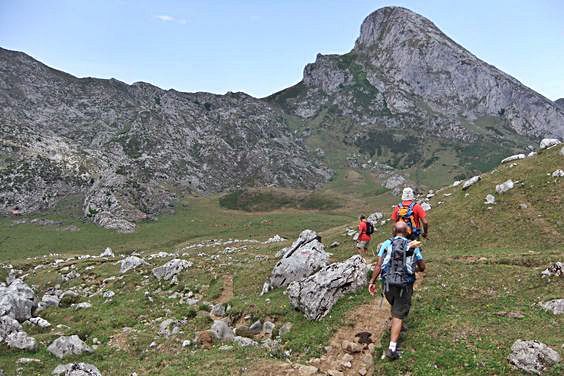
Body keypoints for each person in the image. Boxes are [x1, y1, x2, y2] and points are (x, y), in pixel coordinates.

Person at [368, 221, 426, 360]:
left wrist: (372, 282)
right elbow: (422, 267)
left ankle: (398, 324)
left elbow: (378, 265)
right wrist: (414, 269)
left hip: (387, 283)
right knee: (398, 314)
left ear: (394, 231)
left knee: (395, 306)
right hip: (404, 285)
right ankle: (392, 349)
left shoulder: (386, 244)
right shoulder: (413, 245)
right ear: (407, 232)